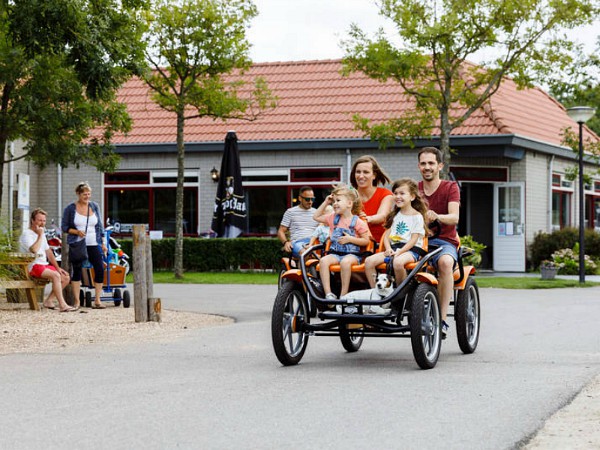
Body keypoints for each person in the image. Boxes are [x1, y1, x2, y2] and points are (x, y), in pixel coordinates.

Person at [417, 147, 460, 339]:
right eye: (423, 163)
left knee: (445, 263)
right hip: (418, 241)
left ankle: (442, 319)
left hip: (444, 241)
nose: (427, 167)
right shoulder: (414, 190)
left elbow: (454, 217)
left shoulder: (450, 187)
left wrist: (437, 216)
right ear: (419, 166)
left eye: (431, 163)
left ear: (439, 166)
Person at [364, 178, 427, 287]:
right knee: (369, 261)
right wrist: (388, 248)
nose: (398, 196)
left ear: (412, 197)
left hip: (411, 251)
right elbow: (387, 236)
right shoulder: (395, 215)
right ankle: (377, 292)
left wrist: (400, 252)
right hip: (393, 249)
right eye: (395, 193)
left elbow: (413, 240)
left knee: (397, 263)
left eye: (402, 193)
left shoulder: (417, 217)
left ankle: (400, 292)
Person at [313, 184, 370, 299]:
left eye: (338, 200)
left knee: (345, 262)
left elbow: (366, 241)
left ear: (349, 203)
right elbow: (316, 216)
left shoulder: (357, 221)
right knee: (323, 261)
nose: (335, 203)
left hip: (352, 255)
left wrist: (350, 239)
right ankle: (328, 293)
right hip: (335, 253)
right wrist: (326, 202)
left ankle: (343, 294)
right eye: (334, 201)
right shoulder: (333, 218)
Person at [62, 182, 108, 309]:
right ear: (78, 194)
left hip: (94, 242)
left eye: (89, 194)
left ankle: (97, 300)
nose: (87, 196)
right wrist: (77, 232)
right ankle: (77, 301)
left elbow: (100, 226)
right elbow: (64, 227)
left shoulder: (94, 206)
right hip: (78, 243)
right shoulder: (70, 209)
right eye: (84, 194)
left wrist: (103, 243)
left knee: (99, 268)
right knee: (77, 270)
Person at [19, 208, 75, 312]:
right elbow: (34, 250)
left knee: (65, 277)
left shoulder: (42, 234)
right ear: (32, 220)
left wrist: (58, 268)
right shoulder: (27, 234)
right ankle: (63, 305)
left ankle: (49, 301)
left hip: (43, 265)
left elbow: (48, 252)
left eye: (44, 221)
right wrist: (40, 235)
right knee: (56, 276)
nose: (42, 223)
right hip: (32, 266)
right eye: (39, 220)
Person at [350, 155, 394, 244]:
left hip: (379, 245)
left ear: (374, 175)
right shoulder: (349, 195)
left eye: (366, 172)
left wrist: (366, 219)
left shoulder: (385, 194)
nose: (361, 176)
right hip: (353, 245)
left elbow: (382, 216)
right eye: (358, 172)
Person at [277, 186, 318, 258]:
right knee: (305, 253)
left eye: (312, 199)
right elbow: (281, 231)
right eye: (307, 199)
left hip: (313, 242)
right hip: (298, 242)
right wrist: (286, 243)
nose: (310, 202)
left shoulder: (317, 212)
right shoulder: (290, 212)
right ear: (300, 198)